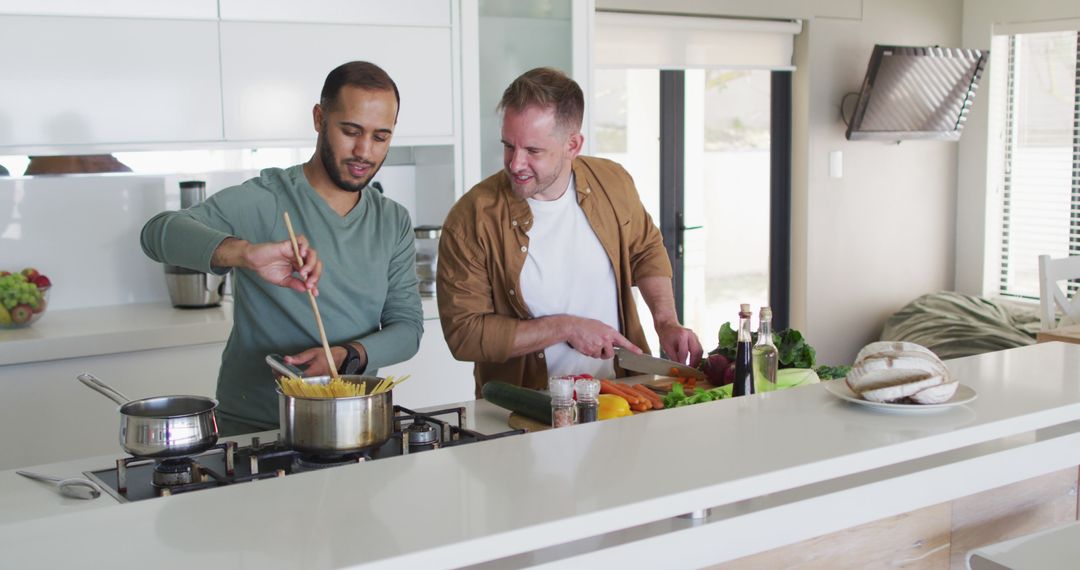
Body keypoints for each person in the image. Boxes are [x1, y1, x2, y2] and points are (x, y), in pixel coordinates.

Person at [141, 61, 423, 435]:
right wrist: (243, 252)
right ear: (319, 118)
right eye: (351, 131)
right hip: (257, 427)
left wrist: (346, 357)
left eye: (380, 137)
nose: (364, 152)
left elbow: (408, 328)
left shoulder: (392, 220)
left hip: (352, 423)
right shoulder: (268, 199)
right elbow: (157, 233)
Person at [437, 67, 702, 393]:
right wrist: (565, 328)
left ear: (572, 145)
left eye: (533, 151)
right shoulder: (470, 219)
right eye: (508, 145)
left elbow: (645, 250)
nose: (515, 163)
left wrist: (666, 322)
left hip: (623, 398)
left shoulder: (613, 181)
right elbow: (464, 335)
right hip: (524, 410)